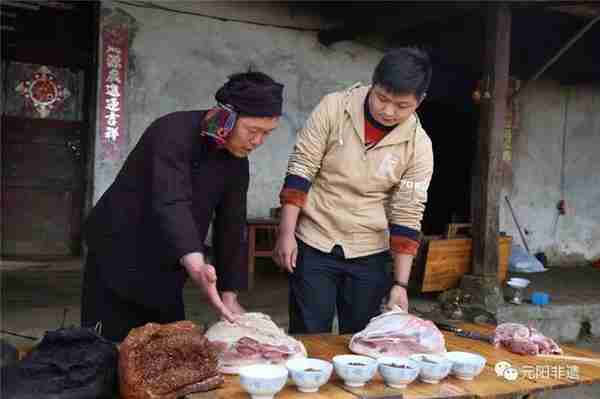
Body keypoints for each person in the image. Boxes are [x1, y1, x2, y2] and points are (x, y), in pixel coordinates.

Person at [81, 71, 284, 342]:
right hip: (117, 252)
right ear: (226, 118)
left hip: (169, 262)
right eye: (252, 131)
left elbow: (231, 224)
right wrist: (198, 266)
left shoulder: (237, 160)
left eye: (266, 134)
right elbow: (170, 201)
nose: (257, 142)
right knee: (108, 349)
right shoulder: (171, 131)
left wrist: (229, 294)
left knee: (168, 350)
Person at [273, 48, 434, 335]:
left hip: (370, 251)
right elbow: (301, 168)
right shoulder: (334, 107)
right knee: (309, 336)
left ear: (419, 102)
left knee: (361, 339)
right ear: (373, 83)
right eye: (382, 98)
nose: (388, 111)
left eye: (401, 106)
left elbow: (408, 213)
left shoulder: (419, 147)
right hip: (314, 240)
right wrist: (286, 234)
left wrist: (400, 285)